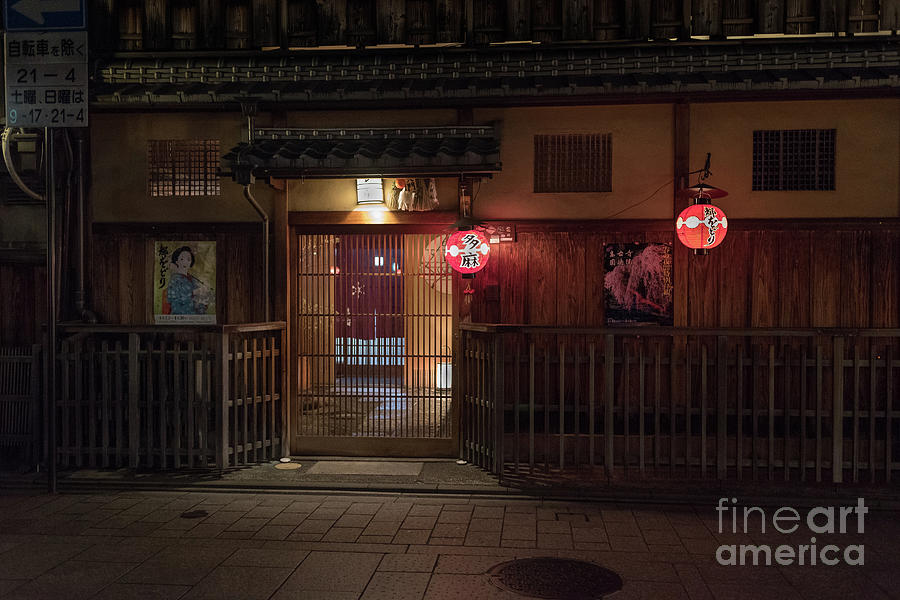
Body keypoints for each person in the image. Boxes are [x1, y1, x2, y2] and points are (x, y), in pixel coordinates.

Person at [166, 246, 211, 314]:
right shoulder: (174, 280)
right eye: (182, 259)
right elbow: (172, 298)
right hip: (180, 314)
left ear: (191, 263)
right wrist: (193, 293)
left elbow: (201, 300)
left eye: (188, 259)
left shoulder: (194, 280)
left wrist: (204, 299)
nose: (185, 262)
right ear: (177, 261)